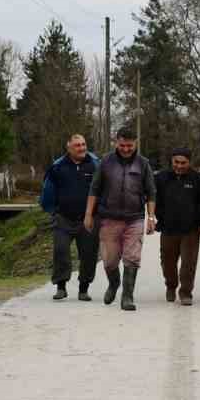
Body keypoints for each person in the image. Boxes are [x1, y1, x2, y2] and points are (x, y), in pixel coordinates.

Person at [83, 126, 156, 311]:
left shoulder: (143, 163)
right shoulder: (106, 162)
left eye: (129, 146)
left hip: (135, 218)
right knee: (109, 260)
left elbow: (151, 192)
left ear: (135, 144)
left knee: (132, 258)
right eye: (122, 145)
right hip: (109, 218)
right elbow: (94, 189)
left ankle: (127, 296)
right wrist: (88, 214)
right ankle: (114, 283)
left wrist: (151, 217)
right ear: (116, 142)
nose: (126, 149)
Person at [39, 133, 99, 301]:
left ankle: (83, 289)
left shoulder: (95, 165)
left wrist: (99, 212)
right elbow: (47, 190)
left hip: (88, 219)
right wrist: (52, 210)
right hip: (63, 218)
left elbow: (103, 189)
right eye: (78, 145)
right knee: (60, 251)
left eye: (83, 144)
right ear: (69, 148)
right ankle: (61, 286)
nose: (82, 148)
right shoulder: (58, 167)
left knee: (89, 254)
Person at [155, 146, 200, 306]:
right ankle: (171, 286)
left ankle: (185, 292)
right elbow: (155, 201)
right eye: (176, 162)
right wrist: (159, 217)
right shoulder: (161, 178)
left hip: (190, 229)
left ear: (189, 162)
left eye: (183, 163)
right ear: (171, 161)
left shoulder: (198, 179)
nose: (179, 165)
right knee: (167, 262)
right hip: (168, 227)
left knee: (188, 263)